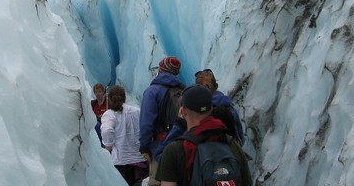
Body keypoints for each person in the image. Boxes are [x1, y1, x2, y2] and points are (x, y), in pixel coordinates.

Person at [155, 85, 251, 186]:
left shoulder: (174, 150)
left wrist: (179, 125)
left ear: (183, 111)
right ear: (211, 109)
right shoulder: (232, 145)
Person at [154, 69, 245, 160]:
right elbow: (240, 138)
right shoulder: (229, 108)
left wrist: (180, 123)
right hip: (231, 159)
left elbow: (162, 156)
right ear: (216, 86)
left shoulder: (196, 117)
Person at [139, 56, 185, 186]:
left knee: (157, 182)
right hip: (182, 145)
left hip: (160, 147)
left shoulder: (152, 92)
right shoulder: (182, 90)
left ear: (161, 69)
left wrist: (144, 146)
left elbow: (146, 124)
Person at [100, 86, 148, 186]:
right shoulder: (137, 111)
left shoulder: (109, 114)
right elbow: (146, 129)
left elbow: (107, 130)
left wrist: (108, 146)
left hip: (121, 162)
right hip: (140, 161)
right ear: (124, 97)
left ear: (109, 98)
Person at [194, 69, 244, 144]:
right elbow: (240, 136)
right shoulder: (228, 105)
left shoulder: (204, 111)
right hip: (232, 149)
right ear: (216, 85)